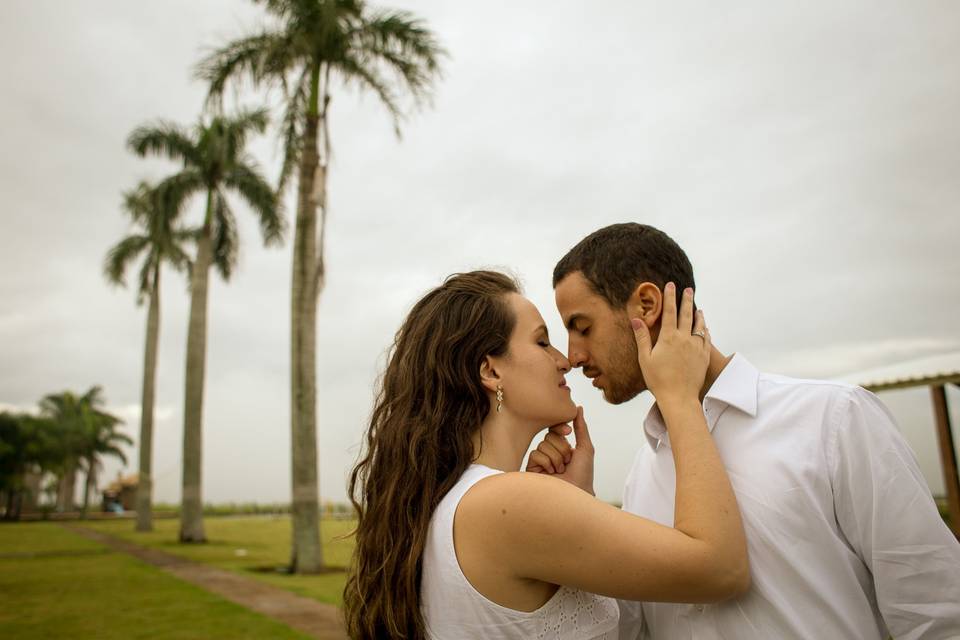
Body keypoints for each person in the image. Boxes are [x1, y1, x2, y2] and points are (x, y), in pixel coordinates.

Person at [528, 223, 960, 640]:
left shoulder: (835, 419)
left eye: (582, 327)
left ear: (646, 305)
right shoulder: (643, 470)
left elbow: (937, 612)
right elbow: (629, 631)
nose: (574, 356)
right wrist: (574, 514)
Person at [343, 270, 750, 639]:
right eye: (542, 341)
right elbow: (721, 569)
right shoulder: (507, 502)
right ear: (491, 371)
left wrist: (575, 501)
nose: (565, 360)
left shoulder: (463, 501)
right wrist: (679, 397)